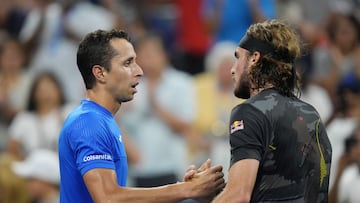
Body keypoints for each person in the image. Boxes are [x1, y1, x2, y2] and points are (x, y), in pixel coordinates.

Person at [58, 29, 225, 203]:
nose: (139, 71)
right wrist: (186, 189)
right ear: (100, 73)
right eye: (127, 63)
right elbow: (108, 197)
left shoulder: (103, 120)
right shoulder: (89, 122)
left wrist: (187, 189)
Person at [212, 19, 332, 202]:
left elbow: (238, 196)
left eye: (238, 57)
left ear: (254, 58)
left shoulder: (249, 112)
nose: (232, 70)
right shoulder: (311, 114)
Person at [329, 124, 360, 203]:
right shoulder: (349, 175)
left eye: (357, 142)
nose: (353, 147)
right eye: (353, 142)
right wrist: (339, 173)